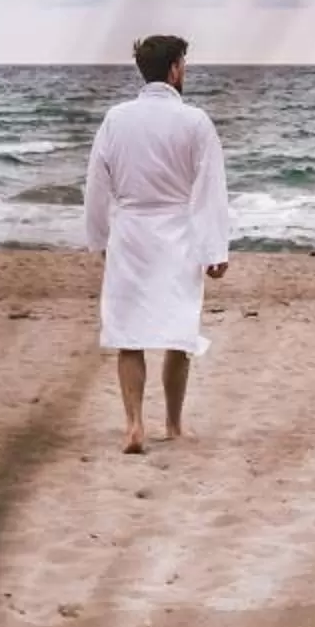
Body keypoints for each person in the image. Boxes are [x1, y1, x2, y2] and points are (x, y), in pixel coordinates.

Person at [83, 34, 231, 452]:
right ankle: (173, 424)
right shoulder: (195, 121)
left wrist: (99, 238)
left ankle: (133, 424)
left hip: (129, 232)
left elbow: (96, 184)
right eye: (184, 64)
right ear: (175, 69)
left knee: (129, 333)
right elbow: (210, 190)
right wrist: (215, 250)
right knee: (177, 332)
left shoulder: (116, 118)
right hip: (178, 235)